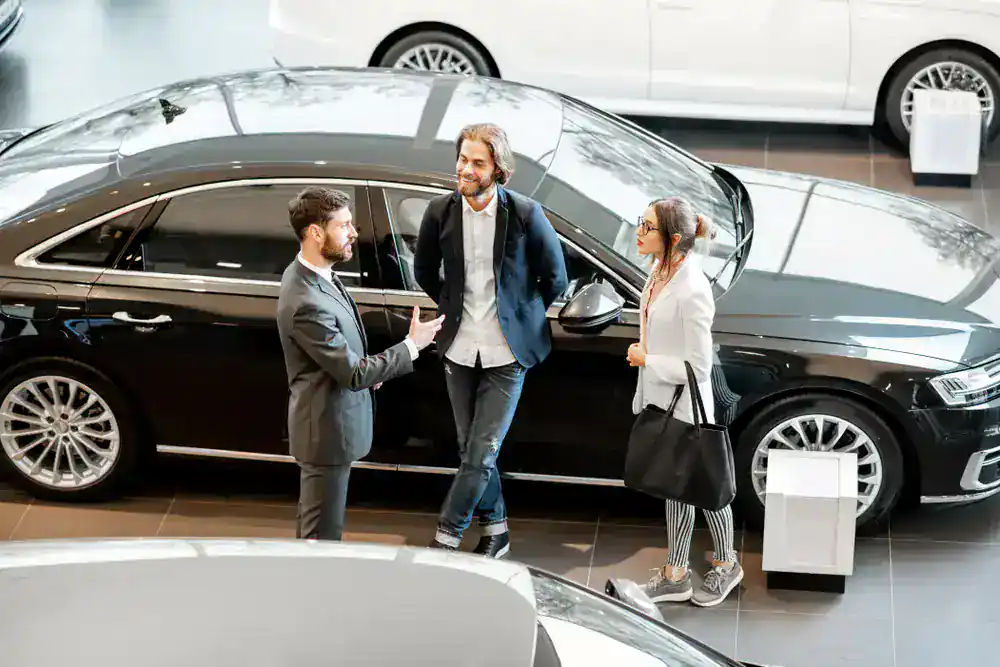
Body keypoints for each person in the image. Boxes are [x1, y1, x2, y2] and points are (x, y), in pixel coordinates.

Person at [414, 122, 569, 558]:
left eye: (477, 162)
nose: (466, 168)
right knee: (472, 450)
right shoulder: (439, 212)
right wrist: (451, 304)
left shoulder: (524, 214)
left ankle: (446, 537)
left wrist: (521, 311)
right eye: (462, 159)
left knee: (481, 454)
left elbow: (556, 278)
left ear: (497, 169)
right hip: (459, 347)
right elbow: (424, 270)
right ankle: (496, 530)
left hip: (507, 350)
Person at [277, 186, 444, 541]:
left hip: (331, 425)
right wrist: (411, 346)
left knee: (321, 529)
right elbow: (352, 373)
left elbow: (344, 361)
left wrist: (370, 372)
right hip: (325, 433)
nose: (354, 232)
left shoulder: (315, 276)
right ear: (315, 233)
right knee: (320, 537)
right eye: (344, 225)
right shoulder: (306, 300)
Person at [628, 196, 743, 608]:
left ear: (673, 238)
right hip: (663, 398)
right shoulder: (658, 270)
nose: (638, 233)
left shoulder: (692, 290)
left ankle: (727, 564)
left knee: (707, 488)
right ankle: (677, 574)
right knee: (676, 486)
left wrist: (648, 360)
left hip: (687, 405)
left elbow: (698, 367)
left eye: (646, 227)